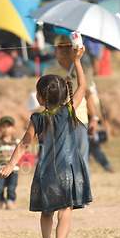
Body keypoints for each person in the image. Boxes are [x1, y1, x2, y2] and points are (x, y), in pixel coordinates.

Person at [0, 45, 91, 238]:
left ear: (40, 97)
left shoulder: (37, 119)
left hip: (46, 173)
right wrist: (77, 61)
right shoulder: (69, 111)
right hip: (69, 171)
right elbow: (84, 86)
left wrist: (11, 165)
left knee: (46, 212)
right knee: (65, 211)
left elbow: (23, 144)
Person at [44, 34, 99, 172]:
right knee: (61, 159)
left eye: (68, 46)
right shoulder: (48, 71)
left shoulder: (82, 68)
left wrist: (94, 117)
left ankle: (83, 192)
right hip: (58, 119)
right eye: (60, 47)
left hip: (80, 119)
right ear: (55, 50)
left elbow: (88, 93)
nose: (64, 50)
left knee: (81, 158)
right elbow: (45, 97)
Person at [0, 116, 20, 210]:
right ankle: (0, 201)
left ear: (13, 128)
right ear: (0, 128)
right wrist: (1, 154)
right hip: (1, 168)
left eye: (8, 126)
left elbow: (20, 152)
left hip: (14, 169)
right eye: (3, 126)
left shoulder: (16, 142)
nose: (6, 129)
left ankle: (10, 201)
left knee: (11, 186)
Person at [88, 83, 114, 172]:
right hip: (93, 124)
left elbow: (98, 114)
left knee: (94, 147)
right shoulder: (96, 98)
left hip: (89, 124)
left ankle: (106, 165)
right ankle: (106, 165)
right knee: (93, 147)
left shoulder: (91, 97)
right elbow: (100, 114)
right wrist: (103, 125)